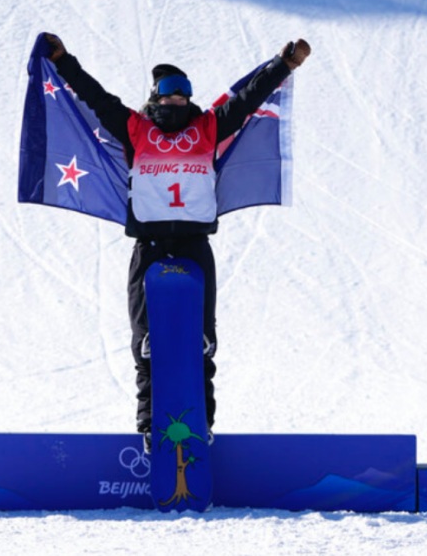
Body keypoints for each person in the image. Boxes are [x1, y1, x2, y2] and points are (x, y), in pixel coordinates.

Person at [43, 34, 310, 452]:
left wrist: (284, 65)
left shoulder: (208, 126)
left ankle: (202, 424)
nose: (179, 97)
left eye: (185, 90)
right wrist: (63, 60)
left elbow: (246, 100)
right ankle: (151, 426)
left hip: (193, 243)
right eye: (170, 90)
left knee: (202, 343)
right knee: (145, 344)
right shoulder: (135, 128)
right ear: (155, 96)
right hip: (149, 243)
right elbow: (95, 97)